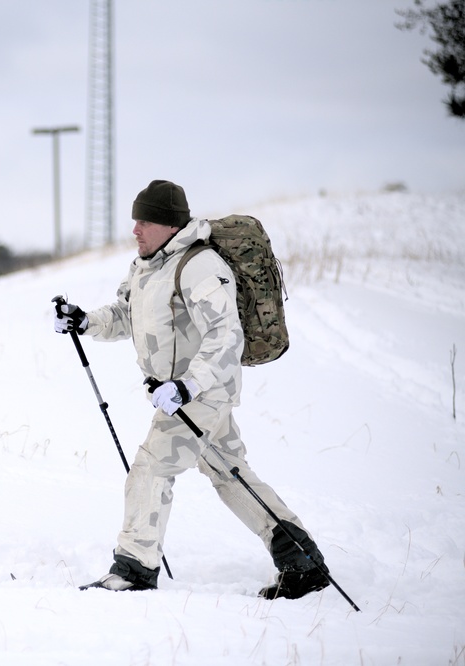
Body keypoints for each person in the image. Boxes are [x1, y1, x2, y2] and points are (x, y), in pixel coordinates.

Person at [54, 179, 330, 600]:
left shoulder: (200, 266)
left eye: (144, 221)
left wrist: (187, 385)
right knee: (229, 473)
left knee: (151, 466)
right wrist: (86, 321)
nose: (135, 230)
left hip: (200, 393)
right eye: (135, 221)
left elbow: (225, 336)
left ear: (167, 225)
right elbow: (128, 313)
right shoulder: (147, 266)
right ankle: (302, 562)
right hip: (182, 394)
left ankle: (133, 568)